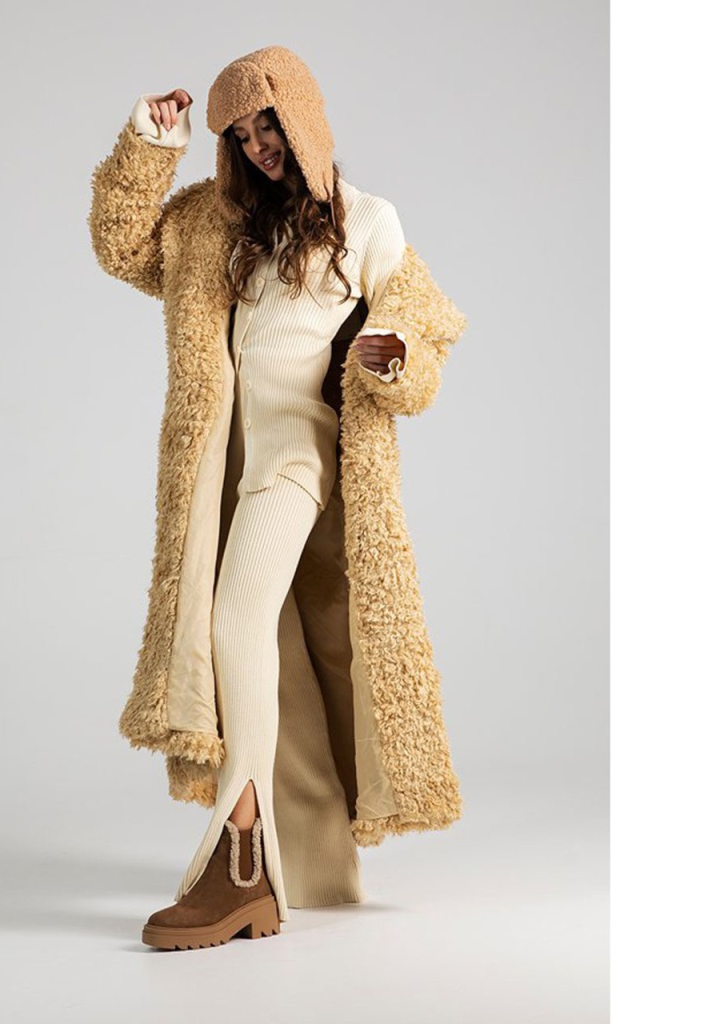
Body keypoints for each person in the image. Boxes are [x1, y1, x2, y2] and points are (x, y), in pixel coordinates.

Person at [88, 45, 467, 952]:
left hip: (300, 457)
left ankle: (241, 854)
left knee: (232, 623)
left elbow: (426, 328)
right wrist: (151, 144)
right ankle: (306, 856)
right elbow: (122, 246)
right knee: (267, 658)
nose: (261, 146)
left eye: (271, 126)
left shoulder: (369, 221)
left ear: (305, 119)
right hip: (227, 464)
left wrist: (393, 357)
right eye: (243, 135)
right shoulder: (219, 224)